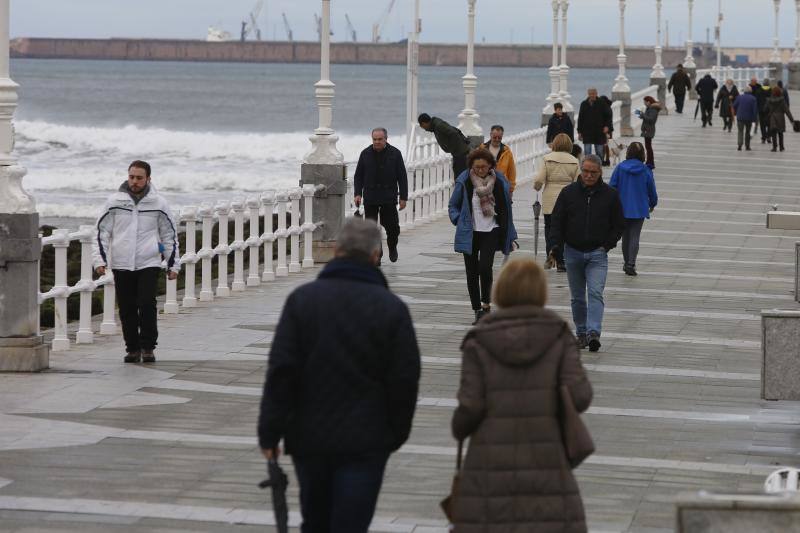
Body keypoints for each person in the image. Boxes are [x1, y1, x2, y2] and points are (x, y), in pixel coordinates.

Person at [257, 217, 421, 533]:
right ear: (376, 256)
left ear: (336, 250)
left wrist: (270, 431)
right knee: (351, 525)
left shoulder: (302, 300)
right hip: (367, 441)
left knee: (315, 522)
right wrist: (394, 434)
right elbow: (404, 380)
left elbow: (282, 371)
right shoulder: (392, 308)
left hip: (310, 439)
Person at [450, 258, 593, 532]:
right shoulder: (560, 335)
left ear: (500, 290)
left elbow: (469, 408)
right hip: (548, 464)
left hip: (488, 467)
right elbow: (581, 396)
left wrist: (459, 429)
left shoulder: (479, 341)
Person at [92, 160, 180, 364]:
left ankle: (148, 347)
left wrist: (173, 264)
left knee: (147, 304)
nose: (134, 181)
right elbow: (101, 232)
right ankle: (132, 348)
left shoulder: (159, 203)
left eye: (139, 178)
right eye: (131, 177)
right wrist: (99, 260)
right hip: (121, 262)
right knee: (126, 307)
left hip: (148, 261)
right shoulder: (114, 201)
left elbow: (169, 235)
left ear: (148, 179)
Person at [549, 154, 624, 352]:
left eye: (593, 172)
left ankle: (593, 333)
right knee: (577, 297)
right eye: (586, 171)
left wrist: (607, 245)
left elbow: (619, 224)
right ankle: (581, 333)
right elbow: (556, 221)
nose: (589, 175)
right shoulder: (568, 193)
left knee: (595, 293)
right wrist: (555, 246)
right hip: (572, 252)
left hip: (597, 254)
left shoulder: (611, 195)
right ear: (580, 171)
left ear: (600, 173)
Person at [448, 147, 518, 324]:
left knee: (485, 268)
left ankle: (486, 304)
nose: (480, 170)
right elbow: (453, 205)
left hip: (491, 229)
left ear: (490, 166)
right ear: (471, 166)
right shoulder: (464, 180)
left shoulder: (499, 180)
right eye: (477, 167)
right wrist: (459, 220)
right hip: (470, 231)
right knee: (471, 272)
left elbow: (506, 208)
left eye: (484, 167)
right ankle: (477, 310)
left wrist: (509, 233)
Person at [353, 127, 408, 264]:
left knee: (393, 227)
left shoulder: (395, 153)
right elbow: (358, 176)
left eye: (379, 139)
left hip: (388, 196)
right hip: (371, 196)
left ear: (386, 139)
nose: (376, 142)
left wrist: (403, 197)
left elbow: (402, 177)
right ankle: (376, 254)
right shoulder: (365, 154)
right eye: (374, 139)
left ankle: (392, 246)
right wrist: (358, 193)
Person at [609, 142, 658, 277]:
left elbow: (612, 187)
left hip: (622, 208)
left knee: (625, 237)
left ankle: (626, 262)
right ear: (643, 154)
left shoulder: (620, 168)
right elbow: (651, 190)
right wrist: (653, 203)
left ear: (628, 152)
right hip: (639, 208)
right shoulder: (646, 170)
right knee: (635, 236)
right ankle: (631, 263)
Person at [533, 133, 580, 272]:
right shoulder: (574, 161)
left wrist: (537, 187)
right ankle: (561, 261)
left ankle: (552, 252)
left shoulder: (547, 159)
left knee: (550, 229)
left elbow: (539, 180)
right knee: (565, 230)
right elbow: (579, 182)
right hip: (568, 199)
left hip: (550, 199)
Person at [418, 112, 472, 179]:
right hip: (459, 153)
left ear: (423, 123)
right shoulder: (436, 124)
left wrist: (452, 148)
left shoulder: (438, 125)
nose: (424, 129)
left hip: (460, 153)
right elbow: (455, 130)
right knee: (461, 176)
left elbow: (454, 133)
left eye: (422, 126)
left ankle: (462, 189)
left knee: (460, 177)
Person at [479, 124, 517, 196]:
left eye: (499, 138)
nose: (497, 140)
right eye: (494, 137)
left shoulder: (507, 151)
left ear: (502, 136)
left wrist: (511, 189)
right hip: (484, 186)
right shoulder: (482, 149)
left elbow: (511, 171)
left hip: (501, 186)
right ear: (490, 135)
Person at [577, 87, 612, 158]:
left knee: (599, 152)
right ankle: (587, 166)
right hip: (587, 132)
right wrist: (579, 131)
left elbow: (608, 116)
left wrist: (607, 126)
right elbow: (580, 118)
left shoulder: (602, 103)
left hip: (599, 132)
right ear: (588, 94)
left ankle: (599, 166)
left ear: (596, 94)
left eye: (593, 94)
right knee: (587, 152)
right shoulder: (583, 104)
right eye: (590, 94)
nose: (592, 95)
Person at [767, 86, 795, 152]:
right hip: (780, 118)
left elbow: (766, 109)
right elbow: (787, 111)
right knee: (780, 133)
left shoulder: (770, 100)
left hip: (773, 118)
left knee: (774, 133)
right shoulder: (782, 101)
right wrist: (792, 120)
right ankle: (781, 147)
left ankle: (774, 147)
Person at [637, 96, 661, 169]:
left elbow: (651, 119)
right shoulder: (650, 108)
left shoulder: (653, 109)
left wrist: (643, 115)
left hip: (649, 130)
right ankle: (649, 162)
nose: (644, 104)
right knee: (648, 147)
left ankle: (650, 163)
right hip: (648, 129)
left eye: (645, 102)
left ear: (649, 102)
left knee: (648, 147)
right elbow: (648, 117)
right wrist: (642, 115)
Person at [733, 85, 758, 151]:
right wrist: (754, 119)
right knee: (748, 132)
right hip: (749, 118)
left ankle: (739, 145)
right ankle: (747, 146)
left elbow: (734, 105)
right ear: (751, 91)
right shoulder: (753, 98)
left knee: (740, 131)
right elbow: (755, 110)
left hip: (740, 117)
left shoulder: (739, 97)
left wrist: (737, 112)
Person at [755, 78, 772, 143]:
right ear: (769, 83)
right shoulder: (771, 91)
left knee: (762, 124)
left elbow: (756, 101)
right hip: (769, 110)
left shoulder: (758, 90)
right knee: (770, 124)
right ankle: (769, 137)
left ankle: (763, 138)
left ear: (763, 83)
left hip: (761, 110)